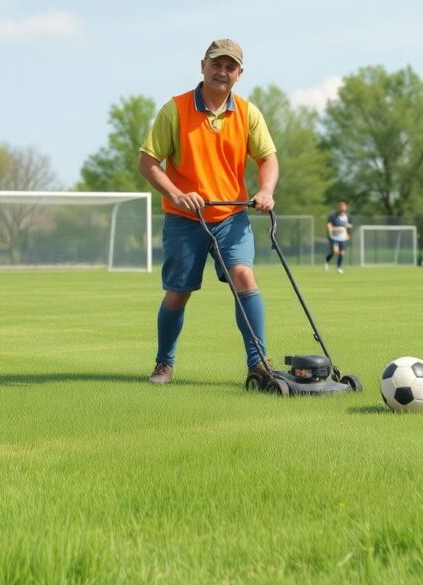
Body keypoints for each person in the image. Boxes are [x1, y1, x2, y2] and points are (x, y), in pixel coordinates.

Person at [138, 39, 278, 384]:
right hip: (185, 218)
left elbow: (268, 159)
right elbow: (148, 162)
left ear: (239, 74)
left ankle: (259, 363)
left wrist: (266, 190)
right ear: (203, 66)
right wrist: (177, 193)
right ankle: (164, 363)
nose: (222, 72)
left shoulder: (248, 113)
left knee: (244, 276)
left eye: (231, 67)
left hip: (231, 217)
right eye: (217, 64)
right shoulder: (175, 109)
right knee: (178, 292)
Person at [324, 200, 352, 274]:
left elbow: (349, 226)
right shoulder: (333, 216)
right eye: (340, 205)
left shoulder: (348, 216)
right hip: (334, 237)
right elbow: (329, 224)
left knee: (342, 253)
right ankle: (327, 262)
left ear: (346, 207)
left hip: (343, 237)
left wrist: (348, 233)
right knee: (334, 251)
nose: (341, 207)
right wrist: (332, 230)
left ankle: (339, 267)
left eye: (343, 205)